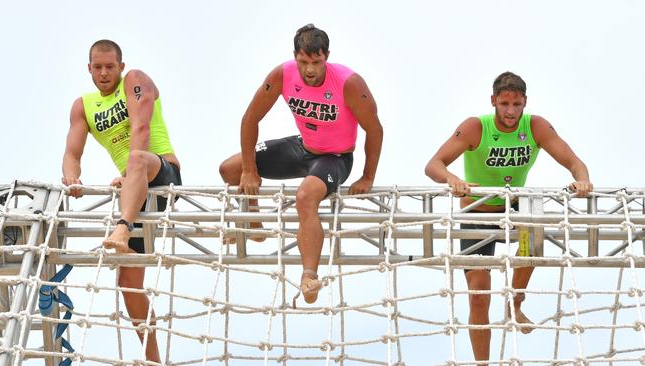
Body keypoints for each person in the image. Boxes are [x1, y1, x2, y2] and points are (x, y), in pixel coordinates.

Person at [424, 71, 592, 364]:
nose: (511, 111)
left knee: (535, 228)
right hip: (476, 210)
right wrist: (452, 179)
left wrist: (583, 180)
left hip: (513, 206)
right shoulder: (477, 127)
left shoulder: (536, 126)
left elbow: (574, 162)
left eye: (517, 105)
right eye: (504, 104)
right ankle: (483, 363)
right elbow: (433, 165)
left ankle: (515, 301)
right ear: (493, 101)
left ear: (525, 102)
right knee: (478, 295)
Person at [219, 24, 383, 304]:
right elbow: (250, 118)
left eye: (316, 62)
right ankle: (254, 221)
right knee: (231, 168)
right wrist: (249, 170)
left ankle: (309, 275)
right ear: (294, 56)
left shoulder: (349, 83)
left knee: (305, 197)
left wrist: (367, 177)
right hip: (302, 146)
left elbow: (375, 129)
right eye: (303, 61)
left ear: (326, 57)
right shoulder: (282, 75)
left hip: (335, 157)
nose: (309, 70)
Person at [62, 39, 182, 363]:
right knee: (128, 284)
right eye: (98, 67)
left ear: (121, 66)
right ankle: (154, 361)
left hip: (163, 174)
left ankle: (122, 229)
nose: (104, 73)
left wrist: (131, 171)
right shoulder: (83, 106)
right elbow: (72, 154)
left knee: (137, 159)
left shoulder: (135, 81)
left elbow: (141, 129)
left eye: (110, 67)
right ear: (89, 69)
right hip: (135, 189)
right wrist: (72, 177)